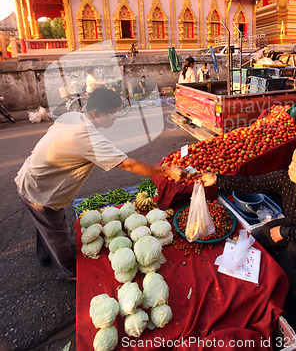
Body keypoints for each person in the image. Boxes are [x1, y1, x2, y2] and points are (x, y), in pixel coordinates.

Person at [15, 88, 187, 280]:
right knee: (56, 229)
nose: (115, 118)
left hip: (33, 176)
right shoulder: (86, 137)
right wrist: (165, 170)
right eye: (112, 114)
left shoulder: (73, 116)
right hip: (39, 188)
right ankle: (68, 271)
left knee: (45, 225)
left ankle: (45, 257)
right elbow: (128, 164)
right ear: (96, 113)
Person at [201, 140, 296, 304]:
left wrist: (285, 232)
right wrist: (217, 179)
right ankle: (266, 268)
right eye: (292, 161)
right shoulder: (288, 180)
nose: (290, 167)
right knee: (266, 232)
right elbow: (253, 183)